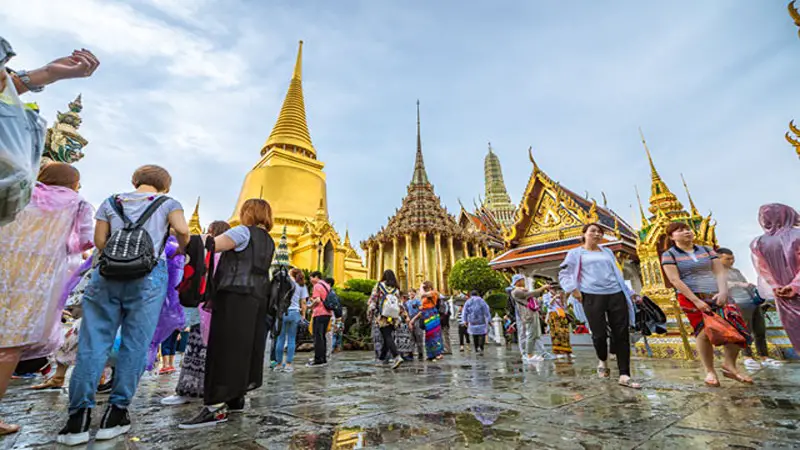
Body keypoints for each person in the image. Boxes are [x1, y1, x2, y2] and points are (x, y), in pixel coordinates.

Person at [56, 165, 188, 445]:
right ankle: (115, 414)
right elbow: (183, 231)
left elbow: (100, 242)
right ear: (165, 186)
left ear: (135, 180)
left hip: (107, 275)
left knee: (93, 345)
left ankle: (77, 419)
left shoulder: (111, 201)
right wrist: (178, 248)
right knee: (135, 345)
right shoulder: (169, 204)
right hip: (148, 277)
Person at [0, 163, 94, 436]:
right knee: (7, 348)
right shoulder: (77, 203)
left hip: (5, 267)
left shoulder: (20, 191)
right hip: (35, 281)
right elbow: (87, 241)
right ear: (74, 183)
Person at [179, 199, 275, 429]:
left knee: (223, 348)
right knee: (243, 349)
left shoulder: (243, 232)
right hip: (257, 299)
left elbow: (212, 245)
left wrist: (183, 236)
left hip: (235, 296)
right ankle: (235, 398)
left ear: (248, 213)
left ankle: (214, 407)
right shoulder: (269, 240)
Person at [661, 222, 752, 387]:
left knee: (737, 327)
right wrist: (696, 301)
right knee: (704, 332)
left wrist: (723, 291)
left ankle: (729, 365)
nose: (686, 232)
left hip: (717, 292)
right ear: (672, 236)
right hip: (691, 296)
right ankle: (709, 370)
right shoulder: (670, 254)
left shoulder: (706, 249)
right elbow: (675, 280)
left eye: (687, 229)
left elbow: (719, 272)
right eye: (680, 230)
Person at [559, 223, 641, 389]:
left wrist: (630, 292)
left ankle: (624, 374)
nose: (597, 234)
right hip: (591, 294)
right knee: (599, 334)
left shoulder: (607, 252)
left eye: (600, 232)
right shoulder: (575, 253)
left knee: (621, 333)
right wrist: (572, 290)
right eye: (593, 231)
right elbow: (565, 273)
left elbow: (617, 273)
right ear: (584, 234)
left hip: (615, 293)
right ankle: (603, 359)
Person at [161, 220, 230, 406]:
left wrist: (169, 229)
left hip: (205, 309)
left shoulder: (210, 253)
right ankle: (211, 391)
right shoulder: (229, 257)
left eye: (209, 231)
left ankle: (188, 391)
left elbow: (187, 241)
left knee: (196, 350)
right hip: (220, 312)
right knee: (214, 354)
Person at [717, 247, 781, 369]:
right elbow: (719, 286)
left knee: (760, 331)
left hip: (751, 302)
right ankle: (748, 357)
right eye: (728, 259)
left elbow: (746, 284)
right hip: (737, 303)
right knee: (746, 332)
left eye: (733, 258)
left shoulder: (736, 271)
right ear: (719, 259)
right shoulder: (716, 272)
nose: (732, 261)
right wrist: (737, 284)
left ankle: (764, 357)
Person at [751, 203, 800, 356]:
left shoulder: (757, 243)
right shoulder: (798, 236)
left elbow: (763, 271)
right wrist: (795, 285)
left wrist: (776, 287)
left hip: (783, 296)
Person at [508, 275, 552, 363]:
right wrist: (542, 288)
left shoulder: (522, 290)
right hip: (528, 315)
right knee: (530, 335)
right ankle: (528, 354)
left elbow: (533, 298)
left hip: (533, 314)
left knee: (536, 335)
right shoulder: (516, 291)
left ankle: (543, 353)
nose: (524, 282)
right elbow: (530, 294)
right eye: (522, 280)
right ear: (518, 281)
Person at [273, 268, 309, 373]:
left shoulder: (284, 283)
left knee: (280, 339)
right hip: (295, 313)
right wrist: (303, 315)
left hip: (282, 312)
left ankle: (279, 364)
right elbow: (303, 302)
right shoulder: (302, 285)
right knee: (292, 339)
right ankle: (288, 365)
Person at [367, 270, 404, 368]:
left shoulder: (379, 285)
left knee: (387, 336)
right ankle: (381, 359)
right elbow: (400, 303)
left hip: (383, 315)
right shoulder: (396, 288)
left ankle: (396, 356)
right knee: (387, 336)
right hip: (393, 316)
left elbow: (373, 299)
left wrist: (370, 314)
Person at [307, 272, 333, 367]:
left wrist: (310, 306)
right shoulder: (327, 285)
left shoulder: (317, 286)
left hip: (319, 313)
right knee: (322, 336)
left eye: (311, 278)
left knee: (318, 337)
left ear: (316, 277)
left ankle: (318, 359)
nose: (310, 280)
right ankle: (323, 358)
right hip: (327, 313)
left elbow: (317, 300)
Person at [420, 281, 445, 361]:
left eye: (425, 288)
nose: (424, 289)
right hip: (426, 314)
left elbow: (422, 294)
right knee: (429, 335)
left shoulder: (433, 292)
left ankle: (438, 353)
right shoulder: (427, 295)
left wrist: (421, 287)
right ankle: (431, 354)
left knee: (435, 334)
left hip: (432, 314)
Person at [545, 290, 573, 360]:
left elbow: (564, 306)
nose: (554, 290)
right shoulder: (546, 295)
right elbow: (548, 305)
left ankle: (567, 352)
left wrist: (563, 298)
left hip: (562, 315)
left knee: (565, 334)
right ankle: (558, 353)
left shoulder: (560, 294)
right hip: (553, 315)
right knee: (556, 335)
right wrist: (554, 297)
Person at [405, 291, 425, 360]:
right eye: (410, 292)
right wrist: (407, 317)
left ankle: (420, 353)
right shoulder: (407, 302)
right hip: (409, 320)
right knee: (411, 337)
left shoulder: (417, 301)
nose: (411, 293)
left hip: (417, 319)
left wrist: (413, 319)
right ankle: (410, 353)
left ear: (415, 293)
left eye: (413, 292)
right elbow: (406, 311)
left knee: (419, 336)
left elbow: (421, 311)